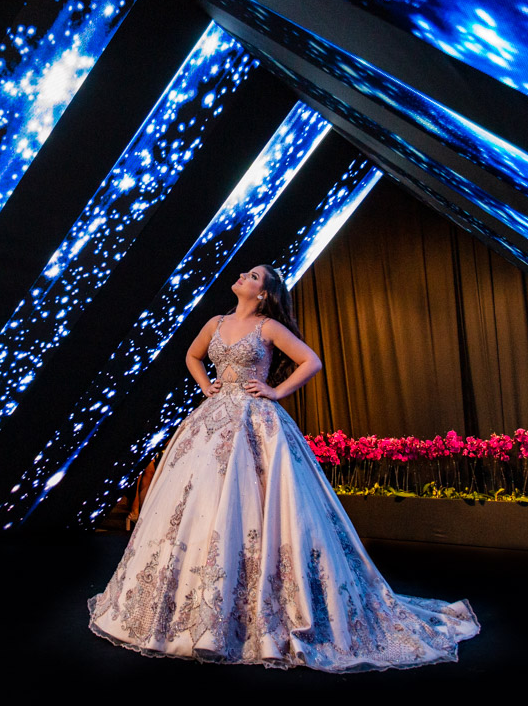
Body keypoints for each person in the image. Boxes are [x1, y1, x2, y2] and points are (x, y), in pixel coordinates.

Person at [87, 264, 479, 672]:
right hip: (211, 424)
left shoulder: (268, 327)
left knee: (258, 503)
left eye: (254, 276)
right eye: (247, 273)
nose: (244, 276)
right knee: (198, 503)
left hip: (255, 423)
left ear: (263, 293)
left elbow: (311, 361)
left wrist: (275, 391)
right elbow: (192, 354)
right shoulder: (216, 322)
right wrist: (205, 385)